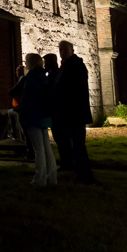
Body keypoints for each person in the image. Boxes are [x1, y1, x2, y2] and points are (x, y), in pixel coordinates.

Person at [52, 41, 95, 184]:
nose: (62, 51)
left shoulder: (76, 66)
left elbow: (75, 90)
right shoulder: (65, 66)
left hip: (74, 113)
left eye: (65, 49)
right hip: (66, 113)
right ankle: (76, 171)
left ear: (72, 50)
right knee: (71, 144)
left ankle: (84, 176)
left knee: (78, 145)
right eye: (60, 49)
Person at [21, 53, 57, 188]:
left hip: (33, 116)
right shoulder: (43, 77)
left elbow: (28, 99)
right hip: (43, 116)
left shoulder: (31, 78)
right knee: (46, 148)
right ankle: (51, 177)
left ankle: (39, 180)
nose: (25, 64)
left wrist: (23, 115)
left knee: (38, 149)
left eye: (26, 61)